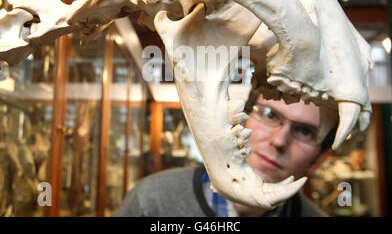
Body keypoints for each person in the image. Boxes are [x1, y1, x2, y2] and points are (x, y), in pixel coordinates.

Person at [115, 88, 336, 217]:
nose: (279, 141)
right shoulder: (151, 200)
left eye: (306, 132)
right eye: (269, 115)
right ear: (242, 119)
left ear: (320, 159)